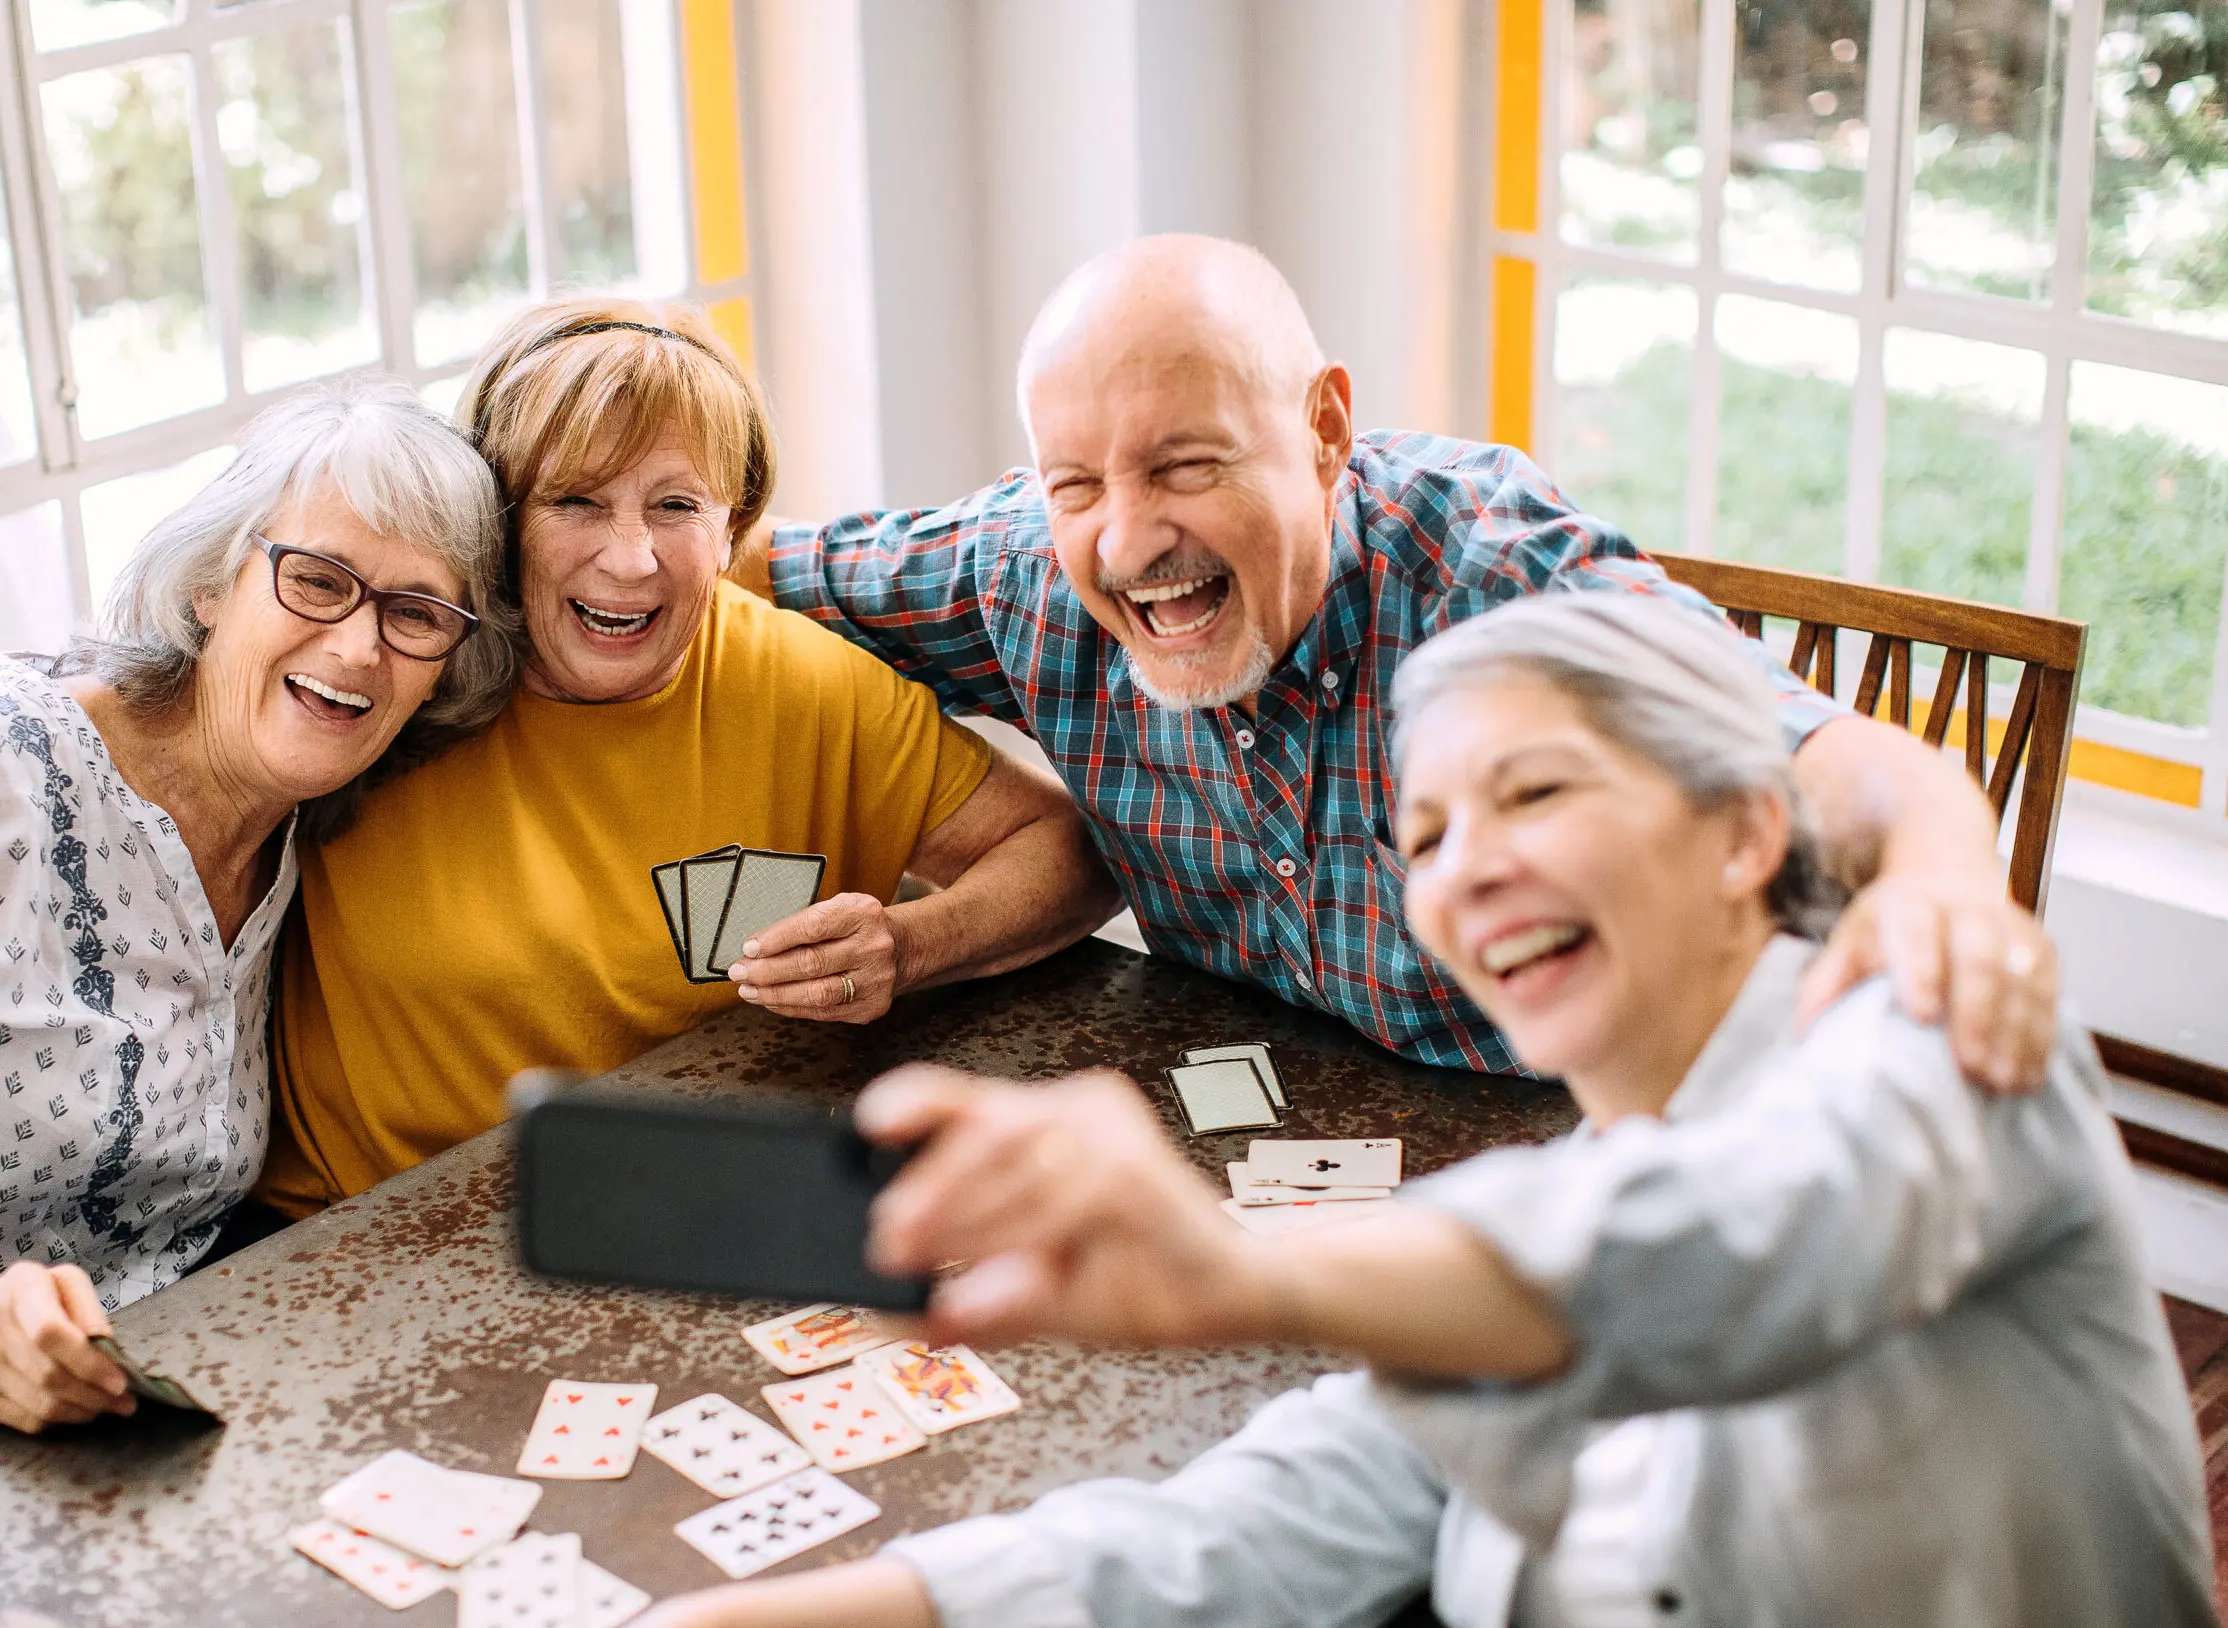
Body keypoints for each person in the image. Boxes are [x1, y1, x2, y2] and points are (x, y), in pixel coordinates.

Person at [512, 590, 2228, 1628]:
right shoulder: (1504, 1217)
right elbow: (1236, 1539)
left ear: (1742, 830)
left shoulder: (1940, 1044)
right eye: (1425, 830)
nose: (1464, 869)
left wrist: (1234, 1267)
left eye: (1537, 795)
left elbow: (1742, 1247)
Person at [0, 299, 1117, 1220]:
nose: (631, 556)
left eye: (677, 507)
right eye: (576, 501)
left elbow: (1067, 847)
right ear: (498, 520)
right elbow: (171, 690)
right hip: (351, 1233)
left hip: (685, 1202)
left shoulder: (796, 679)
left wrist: (915, 942)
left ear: (738, 524)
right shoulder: (400, 684)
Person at [737, 233, 2059, 1092]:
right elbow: (739, 565)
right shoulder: (1024, 567)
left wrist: (1946, 875)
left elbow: (1832, 754)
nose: (1131, 535)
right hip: (1249, 1128)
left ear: (1324, 430)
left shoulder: (1498, 576)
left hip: (1568, 1130)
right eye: (1077, 479)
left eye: (1186, 464)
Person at [0, 379, 513, 1516]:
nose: (357, 646)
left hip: (94, 1424)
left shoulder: (322, 814)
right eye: (316, 580)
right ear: (214, 584)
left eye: (415, 614)